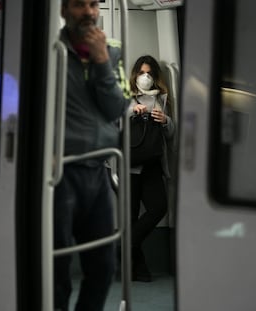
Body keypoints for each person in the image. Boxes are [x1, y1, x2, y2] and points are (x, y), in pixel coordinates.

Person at [54, 0, 130, 310]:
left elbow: (118, 107)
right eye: (78, 5)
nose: (88, 12)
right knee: (55, 267)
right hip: (58, 172)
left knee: (103, 266)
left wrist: (101, 61)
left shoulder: (112, 50)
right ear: (62, 11)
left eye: (93, 3)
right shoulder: (49, 51)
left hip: (98, 169)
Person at [128, 55, 175, 282]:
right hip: (129, 165)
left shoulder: (162, 100)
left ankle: (123, 245)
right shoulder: (124, 96)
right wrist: (131, 110)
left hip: (153, 164)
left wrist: (165, 120)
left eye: (149, 73)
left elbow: (171, 134)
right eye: (141, 72)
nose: (145, 77)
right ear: (135, 74)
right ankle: (139, 269)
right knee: (129, 215)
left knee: (159, 207)